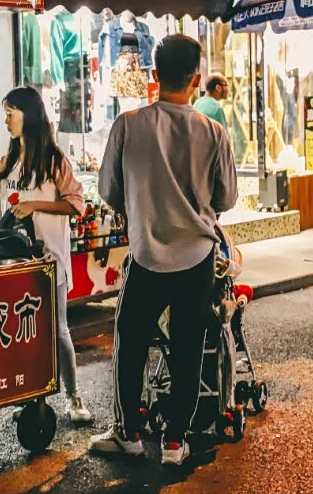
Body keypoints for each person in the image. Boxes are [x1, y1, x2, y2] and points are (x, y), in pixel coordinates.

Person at [90, 34, 238, 467]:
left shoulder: (128, 125)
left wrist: (139, 203)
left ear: (154, 76)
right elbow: (226, 199)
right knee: (188, 346)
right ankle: (175, 440)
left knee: (131, 343)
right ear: (195, 79)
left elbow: (107, 191)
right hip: (197, 259)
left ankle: (129, 433)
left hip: (146, 256)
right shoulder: (213, 132)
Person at [0, 87, 92, 425]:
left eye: (12, 112)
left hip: (48, 264)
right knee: (22, 331)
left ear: (30, 115)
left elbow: (77, 204)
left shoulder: (54, 160)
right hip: (15, 266)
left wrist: (34, 205)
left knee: (57, 330)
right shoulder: (9, 160)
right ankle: (29, 394)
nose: (7, 120)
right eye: (5, 113)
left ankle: (73, 395)